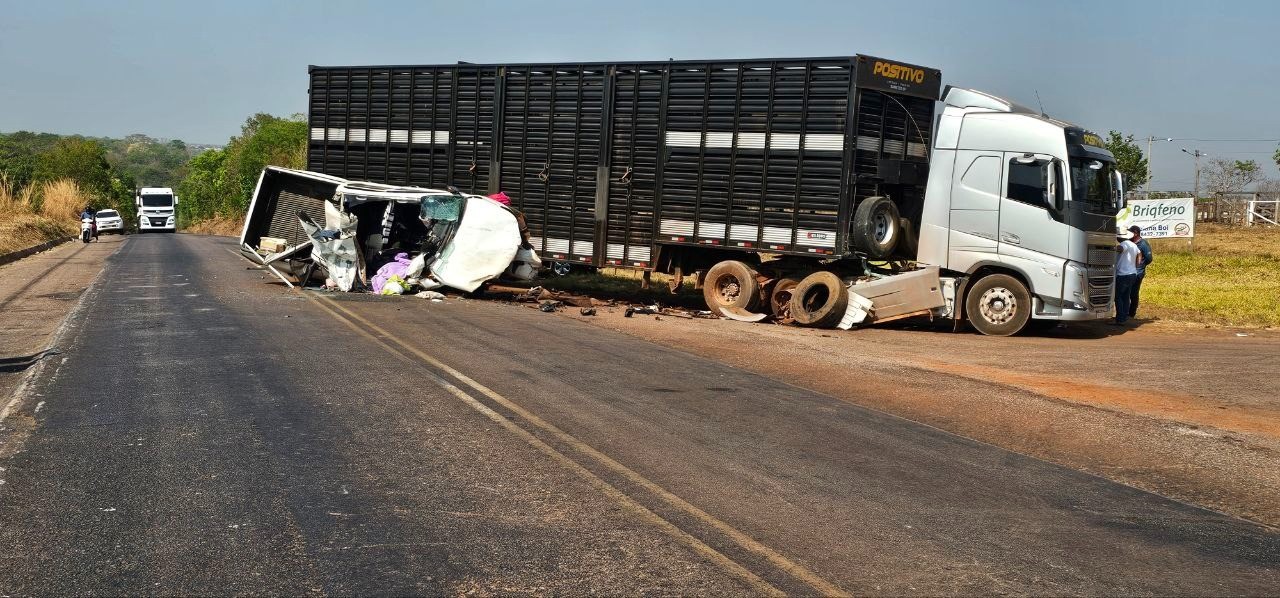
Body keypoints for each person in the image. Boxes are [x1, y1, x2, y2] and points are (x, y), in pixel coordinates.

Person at [1113, 229, 1143, 325]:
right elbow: (1139, 253)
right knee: (1126, 296)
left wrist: (1111, 248)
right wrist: (1137, 265)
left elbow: (1121, 249)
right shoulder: (1133, 245)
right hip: (1132, 273)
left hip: (1123, 275)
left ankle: (1120, 319)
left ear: (1120, 237)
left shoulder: (1124, 244)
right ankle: (1125, 316)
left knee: (1118, 297)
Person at [1128, 225, 1153, 319]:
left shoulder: (1143, 244)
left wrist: (1140, 266)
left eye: (1130, 232)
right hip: (1129, 272)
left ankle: (1131, 314)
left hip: (1138, 273)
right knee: (1127, 292)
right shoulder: (1130, 242)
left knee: (1133, 293)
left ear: (1135, 233)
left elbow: (1149, 259)